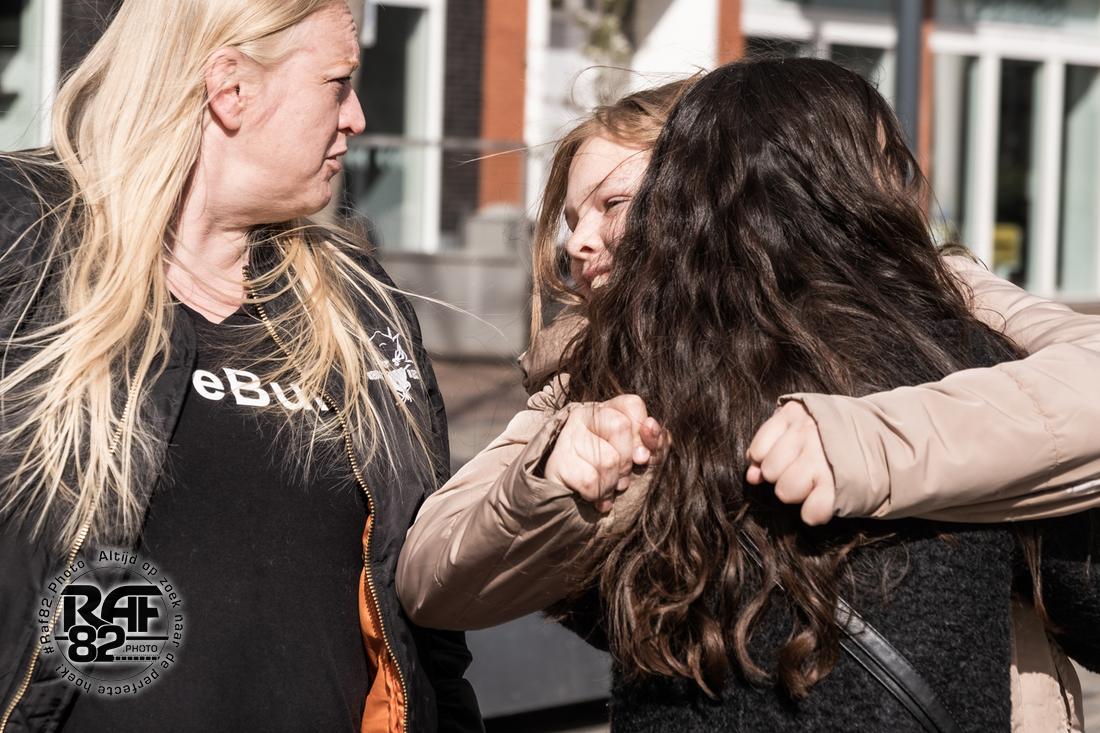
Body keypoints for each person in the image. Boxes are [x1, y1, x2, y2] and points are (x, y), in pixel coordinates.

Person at [398, 60, 1100, 730]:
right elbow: (431, 570)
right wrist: (555, 477)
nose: (577, 243)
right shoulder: (597, 374)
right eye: (570, 218)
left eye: (613, 205)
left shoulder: (945, 325)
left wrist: (877, 436)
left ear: (701, 189)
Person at [0, 2, 480, 731]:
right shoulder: (22, 239)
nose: (356, 117)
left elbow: (429, 643)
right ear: (231, 89)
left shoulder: (361, 304)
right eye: (337, 82)